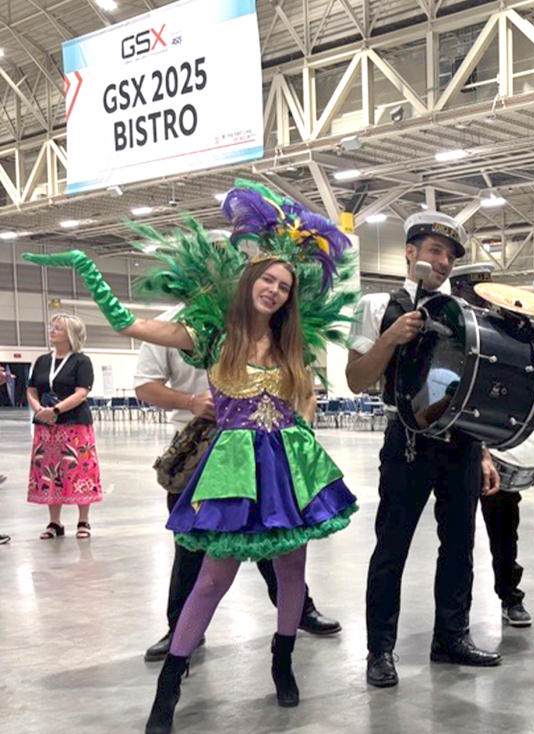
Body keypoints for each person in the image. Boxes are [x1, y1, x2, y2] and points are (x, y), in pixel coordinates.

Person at [25, 182, 360, 733]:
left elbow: (304, 398)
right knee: (211, 578)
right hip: (232, 467)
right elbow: (130, 325)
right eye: (268, 280)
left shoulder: (291, 343)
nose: (275, 291)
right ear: (250, 280)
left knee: (292, 570)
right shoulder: (213, 336)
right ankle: (169, 686)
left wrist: (303, 425)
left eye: (284, 286)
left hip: (288, 466)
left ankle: (282, 661)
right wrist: (86, 268)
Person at [136, 305, 342, 663]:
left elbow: (305, 390)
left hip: (265, 449)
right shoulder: (172, 323)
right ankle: (180, 629)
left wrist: (299, 434)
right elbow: (145, 387)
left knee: (280, 538)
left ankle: (298, 611)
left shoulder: (264, 320)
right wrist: (190, 402)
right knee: (194, 549)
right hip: (199, 445)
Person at [349, 212, 503, 688]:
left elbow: (471, 388)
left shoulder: (464, 315)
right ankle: (380, 650)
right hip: (407, 443)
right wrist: (391, 338)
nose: (443, 262)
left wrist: (483, 452)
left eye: (450, 256)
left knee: (460, 545)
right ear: (410, 253)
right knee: (391, 547)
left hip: (462, 444)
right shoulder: (377, 305)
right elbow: (356, 379)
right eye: (435, 251)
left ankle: (451, 636)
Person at [448, 262, 532, 628]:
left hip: (495, 444)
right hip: (456, 444)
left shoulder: (502, 336)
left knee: (504, 528)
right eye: (475, 295)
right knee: (457, 535)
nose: (483, 304)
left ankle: (510, 595)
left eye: (486, 295)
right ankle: (457, 614)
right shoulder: (451, 334)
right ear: (459, 292)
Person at [27, 314, 100, 540]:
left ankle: (83, 520)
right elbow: (31, 389)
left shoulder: (81, 361)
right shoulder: (42, 361)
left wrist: (56, 410)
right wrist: (39, 409)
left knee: (79, 470)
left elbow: (82, 392)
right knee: (50, 471)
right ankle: (54, 522)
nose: (52, 331)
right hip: (46, 426)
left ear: (70, 334)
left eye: (57, 328)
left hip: (74, 424)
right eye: (52, 327)